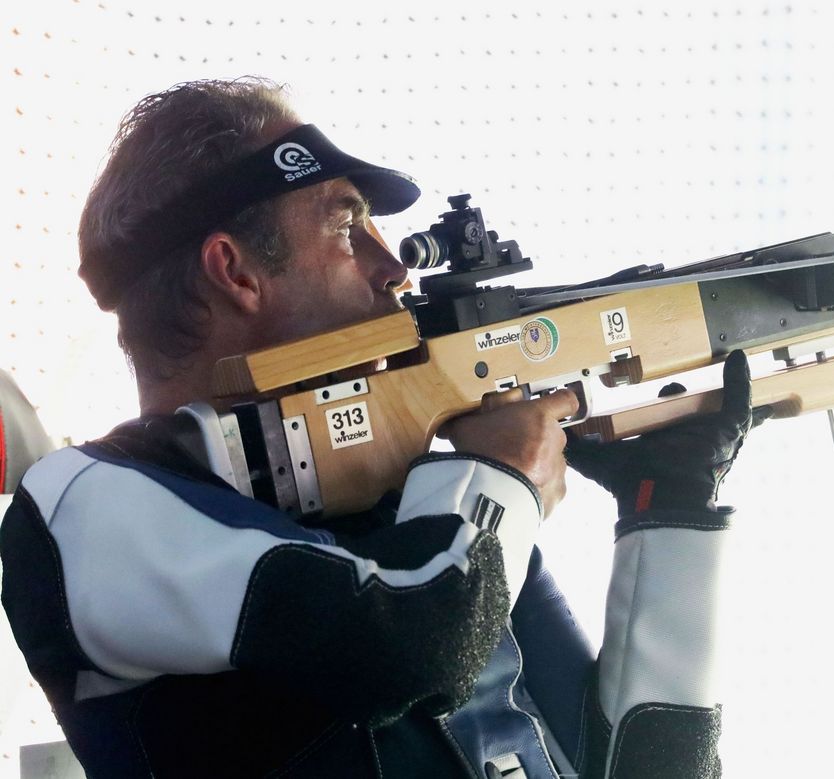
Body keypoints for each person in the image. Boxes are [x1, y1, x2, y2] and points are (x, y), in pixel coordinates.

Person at [0, 78, 767, 778]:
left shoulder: (439, 520)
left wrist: (671, 510)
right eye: (346, 224)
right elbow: (412, 644)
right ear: (236, 272)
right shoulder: (84, 505)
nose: (395, 266)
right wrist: (501, 481)